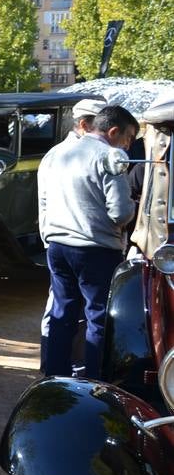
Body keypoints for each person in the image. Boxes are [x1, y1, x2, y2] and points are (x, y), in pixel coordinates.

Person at [38, 105, 139, 378]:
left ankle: (55, 379)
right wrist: (133, 205)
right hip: (95, 249)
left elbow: (44, 200)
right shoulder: (111, 156)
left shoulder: (59, 153)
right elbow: (119, 213)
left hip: (58, 246)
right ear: (114, 131)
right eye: (129, 138)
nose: (129, 146)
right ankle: (94, 383)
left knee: (62, 314)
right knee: (98, 317)